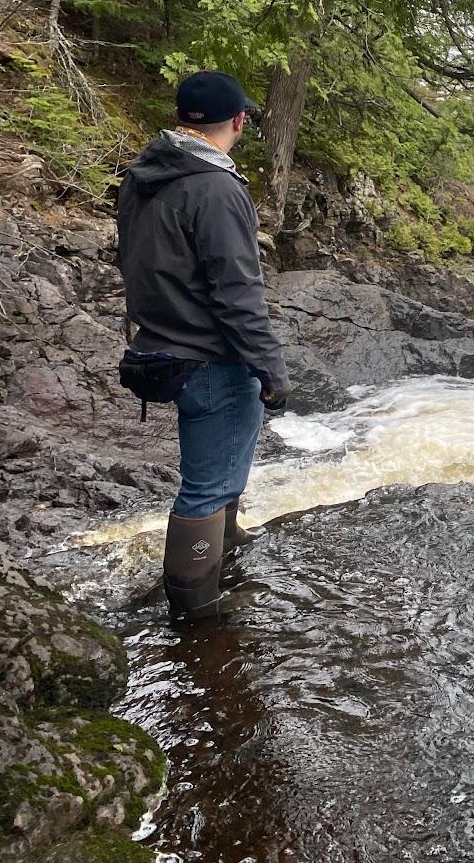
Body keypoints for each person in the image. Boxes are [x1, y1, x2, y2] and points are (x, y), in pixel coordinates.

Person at [116, 71, 289, 620]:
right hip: (211, 357)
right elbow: (237, 292)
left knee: (216, 475)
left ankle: (226, 550)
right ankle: (196, 611)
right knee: (206, 487)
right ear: (239, 121)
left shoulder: (144, 177)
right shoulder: (216, 187)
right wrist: (271, 368)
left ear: (178, 118)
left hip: (159, 348)